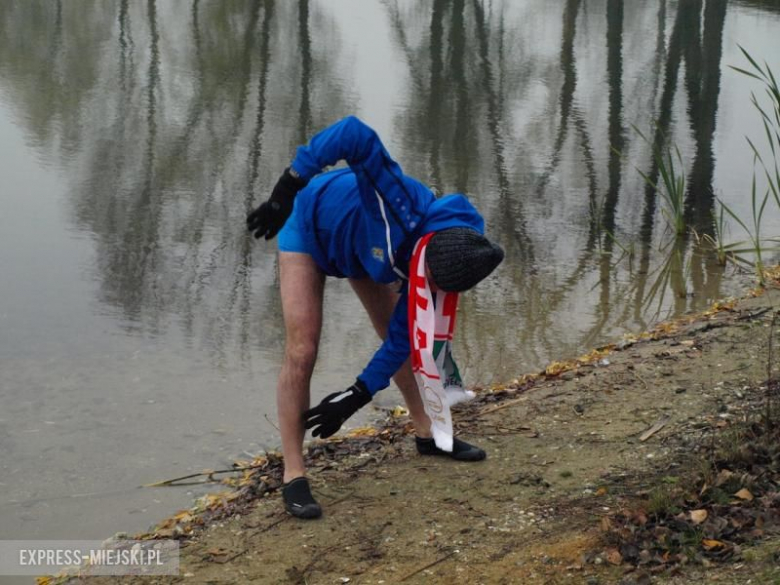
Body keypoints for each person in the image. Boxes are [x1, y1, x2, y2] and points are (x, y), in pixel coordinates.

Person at [247, 116, 504, 519]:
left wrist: (357, 394)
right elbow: (353, 133)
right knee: (302, 349)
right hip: (310, 224)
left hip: (366, 255)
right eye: (427, 282)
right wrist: (289, 184)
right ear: (424, 255)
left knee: (398, 338)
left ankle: (428, 433)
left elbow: (403, 336)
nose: (427, 292)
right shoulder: (396, 203)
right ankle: (294, 472)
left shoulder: (459, 250)